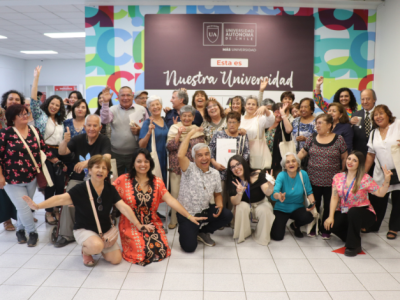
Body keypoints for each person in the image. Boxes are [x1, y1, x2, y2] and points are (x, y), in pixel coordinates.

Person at [23, 155, 142, 266]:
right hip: (84, 228)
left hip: (104, 230)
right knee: (96, 246)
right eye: (97, 167)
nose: (100, 170)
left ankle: (97, 246)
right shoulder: (81, 188)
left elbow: (123, 207)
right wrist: (38, 206)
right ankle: (87, 251)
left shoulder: (110, 189)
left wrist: (138, 224)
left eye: (104, 168)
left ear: (107, 173)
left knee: (116, 260)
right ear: (89, 170)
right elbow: (59, 198)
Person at [113, 149, 205, 265]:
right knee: (143, 252)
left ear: (150, 163)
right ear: (133, 163)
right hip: (130, 223)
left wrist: (189, 216)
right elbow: (110, 197)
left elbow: (171, 200)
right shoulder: (123, 180)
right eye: (139, 161)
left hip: (151, 222)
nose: (143, 165)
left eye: (146, 161)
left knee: (160, 250)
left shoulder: (157, 182)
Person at [0, 104, 54, 246]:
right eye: (21, 114)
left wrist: (58, 160)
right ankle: (32, 232)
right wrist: (0, 176)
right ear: (13, 118)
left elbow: (44, 148)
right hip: (11, 180)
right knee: (24, 206)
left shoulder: (34, 131)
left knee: (24, 207)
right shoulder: (5, 133)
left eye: (26, 113)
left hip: (31, 177)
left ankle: (20, 230)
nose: (26, 116)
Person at [55, 114, 112, 248]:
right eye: (89, 125)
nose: (92, 128)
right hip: (78, 179)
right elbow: (62, 152)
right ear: (84, 126)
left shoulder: (104, 140)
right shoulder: (78, 138)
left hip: (97, 181)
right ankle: (66, 234)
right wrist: (64, 141)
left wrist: (88, 163)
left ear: (100, 127)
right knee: (68, 197)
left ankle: (96, 231)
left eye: (95, 125)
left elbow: (107, 157)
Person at [325, 151, 392, 256]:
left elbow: (380, 193)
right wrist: (330, 216)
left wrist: (387, 180)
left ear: (359, 164)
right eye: (349, 159)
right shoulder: (338, 177)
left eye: (354, 160)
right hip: (344, 210)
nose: (350, 162)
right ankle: (351, 236)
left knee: (353, 212)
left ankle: (354, 246)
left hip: (364, 213)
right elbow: (334, 197)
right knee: (330, 225)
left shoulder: (365, 178)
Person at [176, 128, 233, 252]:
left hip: (205, 211)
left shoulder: (215, 173)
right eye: (199, 155)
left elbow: (217, 193)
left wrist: (220, 206)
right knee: (189, 248)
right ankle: (188, 229)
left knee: (227, 215)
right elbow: (180, 155)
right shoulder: (188, 169)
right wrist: (190, 133)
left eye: (206, 154)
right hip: (188, 214)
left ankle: (203, 232)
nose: (204, 158)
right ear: (194, 158)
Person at [298, 114, 348, 239]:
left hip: (332, 181)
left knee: (328, 206)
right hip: (313, 179)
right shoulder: (312, 138)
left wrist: (343, 174)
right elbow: (303, 152)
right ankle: (312, 227)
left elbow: (344, 158)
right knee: (313, 204)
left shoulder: (339, 139)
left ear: (329, 125)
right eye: (316, 123)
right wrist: (292, 161)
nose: (317, 125)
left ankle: (326, 229)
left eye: (320, 123)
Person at [30, 66, 66, 225]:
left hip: (60, 153)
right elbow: (33, 101)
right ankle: (49, 212)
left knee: (60, 184)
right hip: (45, 154)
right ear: (48, 103)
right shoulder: (40, 116)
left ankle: (57, 208)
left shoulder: (60, 121)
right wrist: (36, 78)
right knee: (49, 184)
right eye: (52, 103)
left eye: (58, 105)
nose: (54, 106)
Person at [166, 105, 205, 229]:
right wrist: (178, 135)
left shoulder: (197, 129)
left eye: (189, 116)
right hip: (176, 167)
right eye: (184, 116)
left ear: (193, 117)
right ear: (180, 117)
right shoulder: (174, 128)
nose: (187, 118)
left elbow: (201, 149)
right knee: (175, 193)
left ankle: (191, 217)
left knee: (192, 193)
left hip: (193, 168)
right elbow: (170, 147)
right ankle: (173, 219)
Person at [365, 105, 400, 239]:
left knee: (398, 201)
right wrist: (363, 173)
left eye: (381, 113)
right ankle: (373, 224)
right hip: (381, 172)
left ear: (388, 114)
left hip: (398, 171)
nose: (378, 116)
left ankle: (394, 228)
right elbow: (370, 154)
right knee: (377, 199)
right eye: (375, 115)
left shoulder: (397, 125)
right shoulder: (374, 132)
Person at [226, 155, 275, 245]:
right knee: (241, 206)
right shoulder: (233, 181)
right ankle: (244, 234)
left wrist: (271, 186)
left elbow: (267, 192)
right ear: (230, 170)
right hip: (244, 205)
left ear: (244, 163)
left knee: (266, 210)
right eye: (233, 167)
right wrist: (239, 193)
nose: (236, 168)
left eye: (238, 164)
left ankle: (261, 237)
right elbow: (234, 202)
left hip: (260, 203)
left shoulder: (258, 174)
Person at [100, 85, 148, 176]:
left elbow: (148, 130)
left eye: (128, 95)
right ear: (118, 97)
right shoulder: (112, 109)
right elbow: (104, 120)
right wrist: (105, 103)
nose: (125, 98)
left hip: (136, 153)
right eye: (122, 95)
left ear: (133, 96)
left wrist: (140, 131)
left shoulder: (141, 109)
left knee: (135, 180)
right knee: (115, 181)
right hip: (115, 154)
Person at [209, 111, 250, 209]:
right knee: (220, 198)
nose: (231, 125)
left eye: (234, 122)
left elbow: (246, 153)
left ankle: (233, 221)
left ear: (239, 123)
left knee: (234, 199)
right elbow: (210, 150)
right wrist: (214, 163)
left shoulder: (242, 136)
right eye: (229, 122)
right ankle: (220, 221)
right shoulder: (218, 134)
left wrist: (238, 166)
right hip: (220, 172)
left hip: (235, 174)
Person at [270, 153, 315, 240]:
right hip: (282, 208)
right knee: (277, 237)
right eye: (288, 162)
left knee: (308, 217)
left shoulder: (303, 174)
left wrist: (312, 203)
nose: (291, 163)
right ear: (284, 166)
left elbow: (309, 192)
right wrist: (279, 196)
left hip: (298, 208)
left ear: (298, 163)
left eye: (293, 161)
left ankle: (295, 225)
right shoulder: (281, 175)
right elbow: (274, 193)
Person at [0, 89, 25, 231]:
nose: (13, 101)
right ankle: (7, 219)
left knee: (19, 189)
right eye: (10, 99)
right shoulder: (1, 115)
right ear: (5, 101)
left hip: (18, 161)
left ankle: (20, 215)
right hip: (3, 160)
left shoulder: (22, 116)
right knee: (3, 191)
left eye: (17, 99)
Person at [138, 95, 168, 185]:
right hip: (154, 159)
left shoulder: (165, 121)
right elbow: (141, 145)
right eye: (152, 105)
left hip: (166, 159)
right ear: (149, 109)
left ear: (161, 106)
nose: (155, 107)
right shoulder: (147, 123)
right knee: (154, 186)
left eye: (157, 104)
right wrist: (149, 132)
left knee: (164, 186)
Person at [240, 95, 275, 167]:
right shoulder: (240, 118)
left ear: (257, 107)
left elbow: (271, 121)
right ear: (245, 106)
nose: (251, 106)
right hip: (242, 152)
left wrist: (265, 109)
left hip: (258, 152)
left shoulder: (260, 118)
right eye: (248, 104)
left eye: (253, 104)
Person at [265, 103, 293, 176]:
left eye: (281, 112)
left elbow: (289, 130)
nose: (279, 115)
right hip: (265, 161)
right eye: (277, 112)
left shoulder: (283, 124)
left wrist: (283, 114)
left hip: (278, 163)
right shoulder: (266, 125)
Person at [350, 89, 377, 158]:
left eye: (368, 99)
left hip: (377, 155)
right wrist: (350, 124)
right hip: (360, 156)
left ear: (374, 99)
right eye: (362, 99)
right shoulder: (355, 115)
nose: (365, 102)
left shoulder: (380, 114)